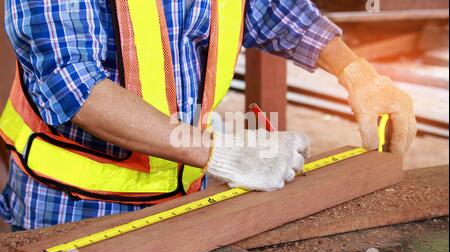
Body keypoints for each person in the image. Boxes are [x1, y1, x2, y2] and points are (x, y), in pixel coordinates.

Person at [0, 0, 416, 231]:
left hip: (187, 200)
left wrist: (355, 71)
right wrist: (225, 153)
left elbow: (269, 9)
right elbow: (75, 86)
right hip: (75, 211)